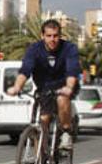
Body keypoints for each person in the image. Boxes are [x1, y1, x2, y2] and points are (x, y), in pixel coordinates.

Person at [6, 19, 80, 149]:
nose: (52, 39)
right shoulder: (34, 49)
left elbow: (72, 71)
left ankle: (66, 132)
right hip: (45, 87)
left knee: (63, 99)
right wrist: (17, 87)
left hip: (65, 85)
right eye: (49, 36)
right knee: (43, 119)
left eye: (56, 36)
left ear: (60, 35)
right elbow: (25, 70)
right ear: (42, 36)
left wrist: (68, 87)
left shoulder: (69, 48)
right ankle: (40, 157)